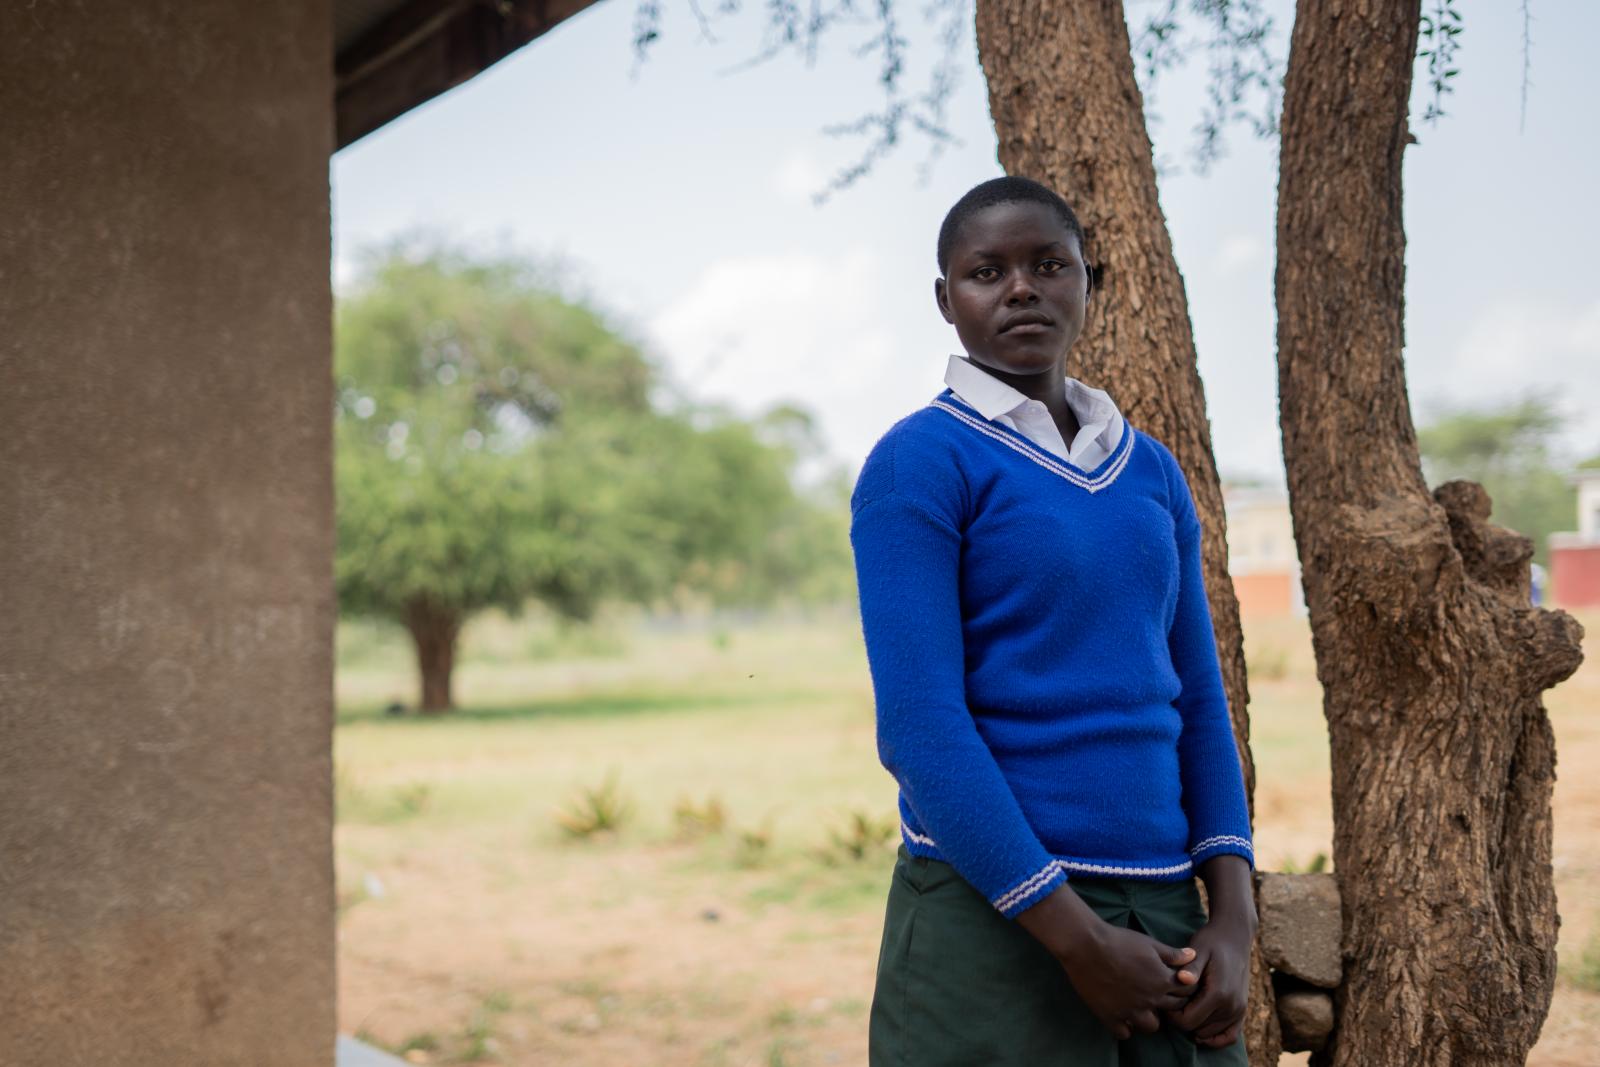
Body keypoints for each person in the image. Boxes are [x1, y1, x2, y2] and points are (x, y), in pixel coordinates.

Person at [850, 175, 1256, 1066]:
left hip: (1167, 930)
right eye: (986, 271)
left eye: (1048, 264)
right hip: (993, 914)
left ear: (1089, 281)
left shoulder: (1150, 470)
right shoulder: (920, 462)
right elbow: (921, 731)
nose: (1021, 288)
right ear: (945, 301)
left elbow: (1197, 702)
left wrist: (1233, 917)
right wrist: (1076, 938)